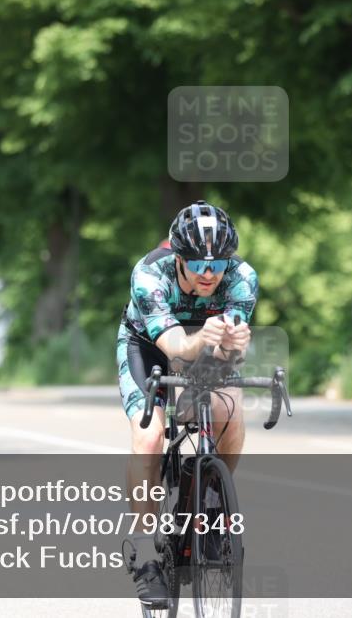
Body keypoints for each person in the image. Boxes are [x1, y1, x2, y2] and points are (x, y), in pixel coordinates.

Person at [117, 201, 256, 607]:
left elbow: (227, 351)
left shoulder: (242, 277)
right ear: (179, 258)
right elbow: (176, 345)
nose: (209, 273)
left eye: (218, 264)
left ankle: (212, 500)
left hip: (209, 346)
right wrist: (201, 341)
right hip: (150, 345)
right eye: (197, 265)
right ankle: (144, 553)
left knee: (226, 408)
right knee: (150, 435)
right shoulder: (149, 275)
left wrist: (231, 346)